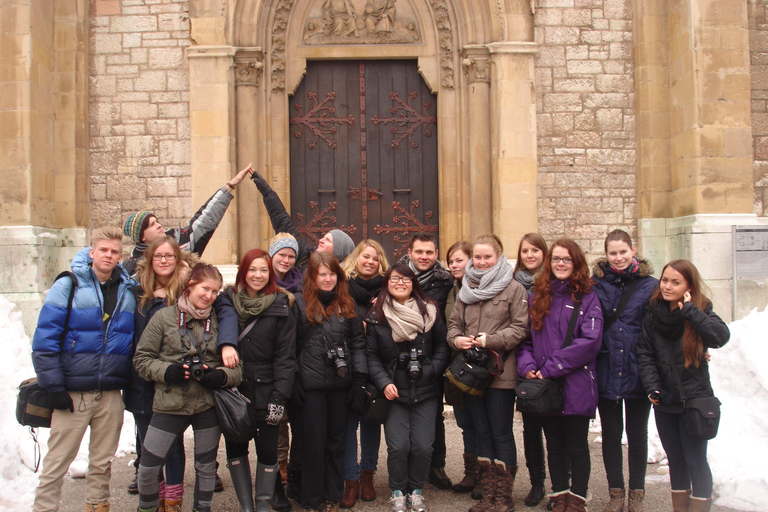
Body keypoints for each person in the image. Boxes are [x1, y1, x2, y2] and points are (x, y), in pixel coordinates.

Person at [124, 236, 239, 512]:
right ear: (190, 286)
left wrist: (221, 376)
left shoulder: (219, 321)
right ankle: (148, 508)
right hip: (169, 403)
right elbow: (141, 359)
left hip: (206, 405)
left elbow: (237, 369)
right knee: (149, 466)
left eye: (214, 292)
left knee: (205, 467)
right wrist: (167, 372)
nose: (208, 296)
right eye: (204, 289)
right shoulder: (164, 318)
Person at [31, 226, 137, 512]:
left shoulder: (128, 290)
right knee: (57, 462)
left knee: (102, 463)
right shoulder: (69, 284)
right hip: (73, 393)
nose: (109, 255)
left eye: (114, 251)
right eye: (103, 250)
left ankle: (97, 507)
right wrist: (53, 386)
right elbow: (44, 340)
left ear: (120, 256)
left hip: (110, 393)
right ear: (92, 252)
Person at [517, 239, 604, 512]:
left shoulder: (588, 298)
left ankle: (577, 498)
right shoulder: (538, 296)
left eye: (567, 259)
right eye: (556, 259)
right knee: (553, 444)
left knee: (577, 445)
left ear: (576, 263)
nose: (561, 264)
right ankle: (558, 494)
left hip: (576, 383)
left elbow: (589, 342)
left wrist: (551, 367)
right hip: (546, 386)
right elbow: (526, 340)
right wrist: (527, 365)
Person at [636, 260, 729, 512]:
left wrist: (690, 311)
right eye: (665, 280)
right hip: (665, 401)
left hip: (696, 401)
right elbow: (645, 353)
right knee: (676, 461)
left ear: (689, 286)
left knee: (696, 461)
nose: (667, 286)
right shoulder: (653, 314)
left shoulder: (699, 310)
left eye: (676, 282)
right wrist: (652, 387)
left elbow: (720, 337)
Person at [448, 234, 529, 512]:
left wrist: (488, 340)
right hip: (472, 372)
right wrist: (457, 340)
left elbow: (520, 328)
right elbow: (454, 324)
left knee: (501, 433)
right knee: (481, 432)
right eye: (478, 258)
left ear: (499, 256)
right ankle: (489, 494)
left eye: (487, 257)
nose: (482, 262)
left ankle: (503, 497)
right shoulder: (465, 289)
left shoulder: (514, 288)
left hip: (499, 373)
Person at [365, 263, 451, 512]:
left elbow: (443, 346)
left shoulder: (430, 312)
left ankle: (415, 490)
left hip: (425, 390)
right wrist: (384, 382)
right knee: (399, 446)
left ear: (413, 283)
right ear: (387, 283)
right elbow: (371, 356)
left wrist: (432, 370)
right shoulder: (377, 315)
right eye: (395, 279)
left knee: (424, 447)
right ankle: (397, 491)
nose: (400, 283)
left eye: (406, 279)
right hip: (394, 393)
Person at [222, 249, 297, 512]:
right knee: (236, 448)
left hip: (267, 391)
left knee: (268, 450)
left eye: (263, 270)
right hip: (233, 390)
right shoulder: (226, 301)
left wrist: (280, 397)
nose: (257, 275)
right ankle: (246, 506)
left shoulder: (281, 304)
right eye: (252, 269)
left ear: (270, 273)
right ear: (243, 271)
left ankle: (264, 505)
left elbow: (286, 357)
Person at [592, 230, 658, 512]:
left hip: (637, 366)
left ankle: (637, 493)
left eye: (623, 252)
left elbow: (661, 324)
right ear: (605, 254)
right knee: (610, 433)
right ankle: (616, 493)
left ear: (633, 250)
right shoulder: (596, 284)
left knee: (637, 433)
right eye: (612, 253)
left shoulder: (650, 285)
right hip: (606, 365)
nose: (618, 258)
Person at [295, 251, 366, 512]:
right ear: (312, 278)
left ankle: (332, 495)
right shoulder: (298, 304)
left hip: (340, 385)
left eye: (332, 274)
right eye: (322, 275)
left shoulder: (348, 305)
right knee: (313, 444)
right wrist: (294, 380)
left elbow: (358, 345)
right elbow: (290, 347)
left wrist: (359, 380)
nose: (327, 279)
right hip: (311, 387)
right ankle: (311, 498)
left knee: (336, 443)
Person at [122, 164, 253, 275]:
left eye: (157, 221)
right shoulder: (133, 268)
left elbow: (204, 221)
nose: (158, 225)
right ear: (142, 236)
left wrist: (230, 186)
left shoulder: (180, 241)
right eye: (151, 225)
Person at [399, 232, 454, 490]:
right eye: (419, 252)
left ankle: (436, 466)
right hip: (401, 354)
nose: (424, 257)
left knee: (434, 415)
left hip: (432, 354)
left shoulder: (445, 281)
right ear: (409, 252)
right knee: (402, 410)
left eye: (429, 252)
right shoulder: (397, 277)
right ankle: (407, 465)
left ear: (436, 255)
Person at [340, 240, 390, 508]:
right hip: (348, 364)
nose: (369, 262)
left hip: (377, 364)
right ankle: (350, 479)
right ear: (356, 258)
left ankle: (367, 474)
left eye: (375, 258)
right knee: (349, 424)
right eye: (365, 256)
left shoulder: (388, 289)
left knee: (372, 422)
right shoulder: (342, 288)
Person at [251, 167, 356, 268]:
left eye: (328, 240)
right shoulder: (305, 257)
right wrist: (266, 191)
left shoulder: (344, 281)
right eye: (324, 237)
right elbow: (282, 221)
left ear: (339, 251)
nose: (321, 240)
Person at [512, 233, 550, 508]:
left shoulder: (555, 284)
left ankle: (563, 484)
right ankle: (537, 483)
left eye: (535, 250)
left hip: (553, 367)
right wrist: (528, 367)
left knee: (557, 430)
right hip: (527, 364)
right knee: (531, 429)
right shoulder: (514, 285)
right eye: (525, 250)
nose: (530, 255)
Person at [443, 241, 481, 498]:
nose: (455, 265)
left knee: (482, 422)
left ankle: (488, 475)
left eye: (460, 260)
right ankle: (472, 473)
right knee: (466, 422)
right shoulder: (450, 290)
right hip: (456, 366)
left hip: (478, 365)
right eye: (451, 261)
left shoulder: (481, 288)